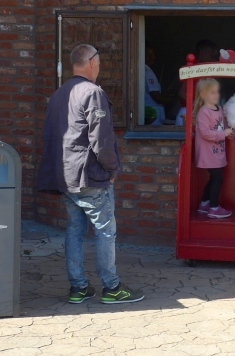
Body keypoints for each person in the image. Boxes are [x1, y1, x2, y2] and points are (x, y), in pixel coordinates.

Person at [37, 44, 144, 305]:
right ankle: (112, 288)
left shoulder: (59, 94)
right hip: (89, 176)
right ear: (92, 62)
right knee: (105, 232)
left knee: (74, 230)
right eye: (100, 62)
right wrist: (112, 169)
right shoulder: (93, 93)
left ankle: (79, 288)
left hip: (65, 177)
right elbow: (101, 139)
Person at [193, 78, 235, 219]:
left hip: (218, 151)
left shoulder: (219, 109)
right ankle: (214, 208)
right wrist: (223, 134)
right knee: (218, 178)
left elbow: (222, 126)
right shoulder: (203, 112)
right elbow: (205, 133)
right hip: (207, 153)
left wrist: (229, 132)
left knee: (214, 178)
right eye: (212, 92)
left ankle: (204, 205)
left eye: (217, 92)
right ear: (202, 95)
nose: (216, 95)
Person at [144, 42, 166, 125]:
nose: (151, 57)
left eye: (152, 54)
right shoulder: (147, 72)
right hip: (153, 114)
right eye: (147, 54)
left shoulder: (144, 70)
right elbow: (156, 97)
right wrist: (171, 101)